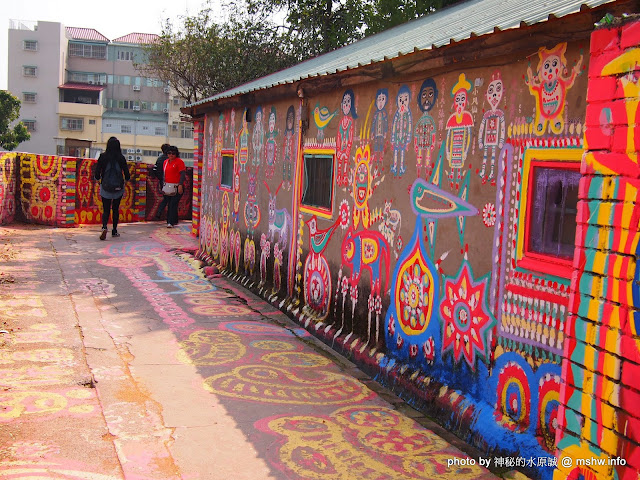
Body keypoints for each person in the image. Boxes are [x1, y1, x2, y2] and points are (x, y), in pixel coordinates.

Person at [94, 136, 131, 240]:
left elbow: (97, 173)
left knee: (106, 209)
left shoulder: (103, 156)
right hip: (118, 188)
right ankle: (114, 231)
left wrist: (98, 180)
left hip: (105, 187)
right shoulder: (121, 158)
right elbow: (127, 174)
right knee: (115, 209)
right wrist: (125, 182)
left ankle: (104, 227)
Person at [163, 145, 186, 228]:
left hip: (177, 186)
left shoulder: (179, 162)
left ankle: (170, 221)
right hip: (168, 186)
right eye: (169, 153)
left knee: (173, 204)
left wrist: (180, 185)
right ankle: (173, 220)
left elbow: (182, 173)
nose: (171, 155)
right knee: (170, 204)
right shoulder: (165, 162)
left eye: (173, 153)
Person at [153, 143, 170, 220]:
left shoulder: (159, 159)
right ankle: (167, 215)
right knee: (170, 199)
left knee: (167, 198)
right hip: (170, 181)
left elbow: (155, 170)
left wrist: (160, 178)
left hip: (162, 182)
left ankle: (160, 213)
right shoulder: (169, 159)